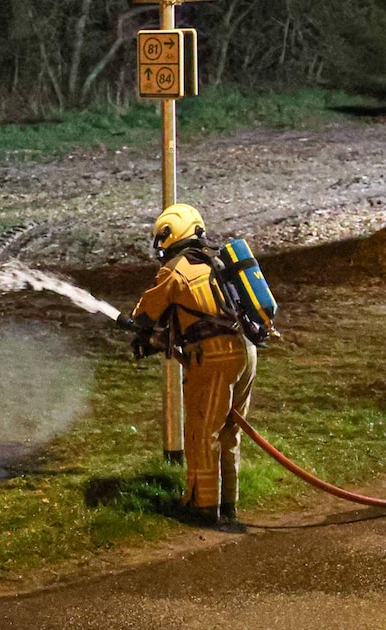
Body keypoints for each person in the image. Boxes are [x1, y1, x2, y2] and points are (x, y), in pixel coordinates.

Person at [123, 203, 257, 528]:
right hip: (246, 349)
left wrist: (140, 332)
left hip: (215, 356)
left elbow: (144, 315)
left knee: (201, 431)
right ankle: (228, 505)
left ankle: (203, 507)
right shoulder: (217, 262)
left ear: (170, 236)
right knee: (229, 432)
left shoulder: (175, 270)